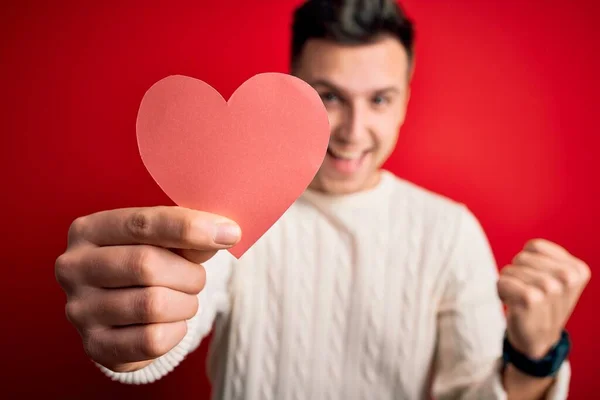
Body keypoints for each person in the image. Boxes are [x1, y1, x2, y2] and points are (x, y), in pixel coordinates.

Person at [55, 0, 591, 399]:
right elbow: (162, 341)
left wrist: (533, 358)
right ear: (294, 90)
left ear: (405, 101)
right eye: (328, 96)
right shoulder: (233, 205)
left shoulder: (448, 231)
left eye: (379, 99)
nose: (353, 131)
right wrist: (128, 327)